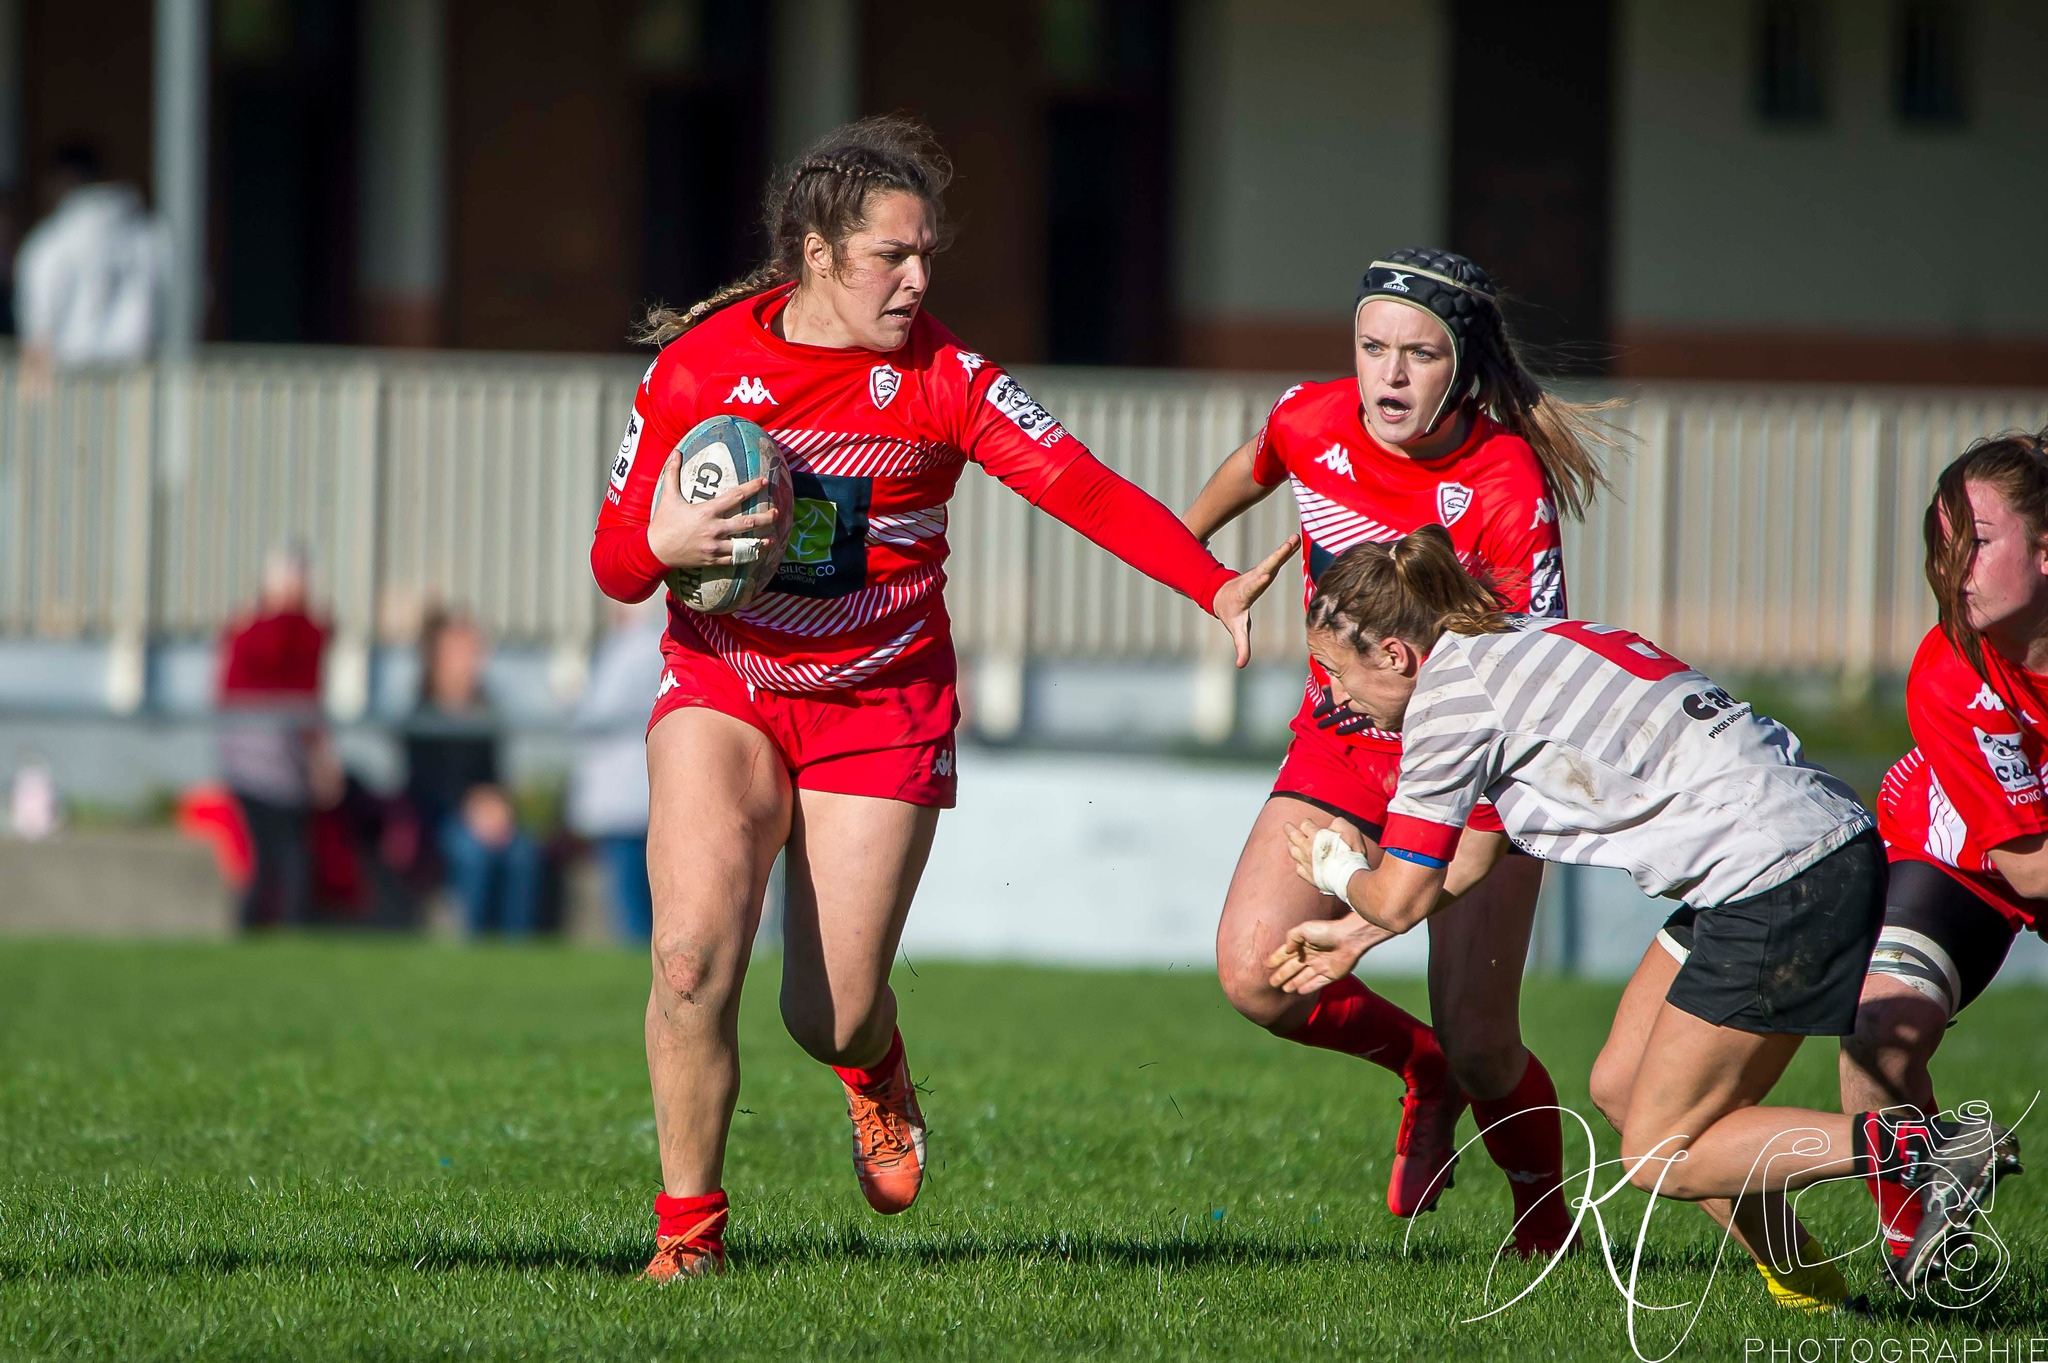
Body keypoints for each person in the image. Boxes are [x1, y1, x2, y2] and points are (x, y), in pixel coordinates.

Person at [590, 113, 1291, 1279]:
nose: (916, 281)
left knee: (827, 1014)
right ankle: (689, 1240)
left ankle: (874, 1067)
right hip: (724, 684)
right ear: (816, 255)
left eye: (926, 257)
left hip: (881, 705)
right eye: (891, 257)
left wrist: (1208, 581)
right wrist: (662, 542)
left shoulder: (946, 378)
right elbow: (615, 565)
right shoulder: (697, 370)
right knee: (688, 961)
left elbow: (1080, 486)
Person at [1265, 527, 2020, 1298]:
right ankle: (1813, 1291)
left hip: (1777, 874)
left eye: (1336, 672)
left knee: (1662, 1153)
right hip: (1787, 849)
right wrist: (1351, 933)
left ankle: (1928, 1148)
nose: (1335, 698)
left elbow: (1401, 894)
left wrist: (1336, 868)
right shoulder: (1511, 640)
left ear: (1397, 655)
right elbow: (1474, 856)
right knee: (1622, 1086)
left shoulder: (1449, 697)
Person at [1180, 248, 1611, 1255]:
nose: (1389, 374)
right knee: (1255, 974)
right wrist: (1194, 560)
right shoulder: (1312, 417)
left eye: (1418, 354)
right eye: (1372, 347)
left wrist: (1380, 912)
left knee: (1483, 1040)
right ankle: (1422, 1069)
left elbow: (1526, 689)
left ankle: (1543, 1231)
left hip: (1478, 772)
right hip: (1340, 745)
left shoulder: (1504, 482)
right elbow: (1254, 464)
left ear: (1462, 367)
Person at [1842, 430, 2048, 1287]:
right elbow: (2030, 869)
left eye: (1979, 540)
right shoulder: (1950, 670)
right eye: (1944, 541)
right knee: (1875, 1034)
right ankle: (1918, 1245)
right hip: (1959, 862)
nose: (1952, 565)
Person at [216, 546, 336, 930]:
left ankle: (282, 926)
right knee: (274, 858)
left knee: (286, 858)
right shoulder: (265, 632)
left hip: (285, 761)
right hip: (257, 760)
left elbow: (308, 698)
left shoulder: (302, 633)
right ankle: (263, 925)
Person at [403, 608, 542, 936]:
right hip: (441, 820)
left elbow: (494, 775)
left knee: (523, 853)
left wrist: (500, 808)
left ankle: (517, 947)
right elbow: (424, 786)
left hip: (486, 816)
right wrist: (472, 810)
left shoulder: (485, 711)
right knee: (473, 853)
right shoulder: (422, 715)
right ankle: (475, 943)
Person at [14, 141, 168, 390]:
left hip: (72, 389)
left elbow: (38, 332)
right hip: (141, 385)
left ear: (61, 181)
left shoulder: (51, 243)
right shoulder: (151, 235)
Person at [568, 598, 667, 942]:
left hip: (627, 790)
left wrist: (569, 698)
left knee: (631, 894)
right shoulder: (635, 644)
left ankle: (636, 948)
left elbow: (600, 708)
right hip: (632, 786)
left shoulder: (635, 647)